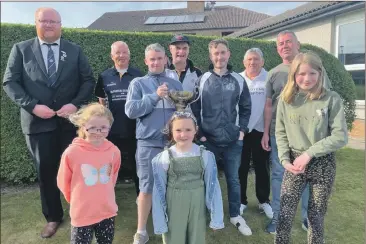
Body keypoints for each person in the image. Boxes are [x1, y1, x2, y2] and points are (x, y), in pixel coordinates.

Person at [2, 7, 95, 238]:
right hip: (37, 124)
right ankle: (53, 217)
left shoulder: (74, 50)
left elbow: (88, 80)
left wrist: (75, 105)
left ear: (61, 24)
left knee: (76, 171)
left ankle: (79, 213)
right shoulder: (21, 50)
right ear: (36, 23)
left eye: (54, 21)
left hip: (70, 122)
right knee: (45, 172)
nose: (49, 25)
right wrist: (32, 106)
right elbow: (10, 83)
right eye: (44, 21)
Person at [262, 30, 332, 234]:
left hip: (308, 137)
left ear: (297, 45)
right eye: (280, 43)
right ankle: (277, 218)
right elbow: (268, 106)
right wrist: (266, 132)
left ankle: (306, 219)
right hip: (280, 135)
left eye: (288, 42)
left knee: (309, 176)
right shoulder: (274, 73)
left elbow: (325, 101)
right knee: (278, 175)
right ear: (277, 48)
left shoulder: (314, 70)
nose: (284, 46)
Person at [274, 52, 348, 243]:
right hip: (293, 163)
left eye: (312, 73)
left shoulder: (331, 99)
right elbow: (280, 132)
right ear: (293, 75)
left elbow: (340, 136)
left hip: (322, 163)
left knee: (315, 217)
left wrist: (309, 154)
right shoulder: (285, 99)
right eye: (301, 74)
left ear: (320, 73)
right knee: (284, 215)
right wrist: (284, 159)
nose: (306, 79)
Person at [191, 39, 252, 236]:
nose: (219, 57)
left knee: (234, 179)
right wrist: (200, 135)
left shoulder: (238, 79)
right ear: (211, 56)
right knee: (208, 179)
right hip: (208, 140)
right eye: (216, 53)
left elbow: (245, 107)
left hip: (233, 140)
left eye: (223, 52)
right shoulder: (202, 79)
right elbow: (194, 107)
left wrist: (242, 131)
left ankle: (235, 215)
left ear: (229, 54)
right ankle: (209, 213)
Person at [125, 43, 183, 244]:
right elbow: (130, 111)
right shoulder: (138, 83)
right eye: (152, 59)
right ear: (146, 61)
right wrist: (154, 96)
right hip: (148, 144)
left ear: (166, 59)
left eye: (159, 58)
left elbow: (182, 111)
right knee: (147, 187)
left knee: (173, 186)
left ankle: (172, 225)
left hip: (173, 144)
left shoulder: (175, 83)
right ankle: (141, 231)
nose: (156, 62)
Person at [151, 111, 224, 244]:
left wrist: (216, 217)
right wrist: (160, 221)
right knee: (174, 237)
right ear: (171, 131)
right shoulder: (164, 158)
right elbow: (158, 191)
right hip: (174, 202)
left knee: (196, 237)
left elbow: (213, 187)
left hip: (198, 201)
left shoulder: (205, 155)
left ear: (195, 130)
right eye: (178, 130)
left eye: (188, 129)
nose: (183, 134)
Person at [57, 103, 121, 244]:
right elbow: (63, 181)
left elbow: (113, 177)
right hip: (82, 213)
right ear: (83, 127)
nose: (98, 132)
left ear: (110, 126)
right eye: (92, 128)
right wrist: (75, 200)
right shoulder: (72, 153)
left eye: (103, 128)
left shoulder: (114, 151)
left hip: (107, 211)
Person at [95, 41, 143, 195]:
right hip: (112, 131)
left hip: (135, 129)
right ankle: (107, 197)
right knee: (109, 166)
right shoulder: (104, 76)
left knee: (138, 166)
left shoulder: (139, 75)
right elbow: (101, 102)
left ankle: (141, 197)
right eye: (118, 53)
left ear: (129, 55)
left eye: (124, 52)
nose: (121, 56)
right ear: (112, 56)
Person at [238, 48, 273, 219]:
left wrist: (267, 132)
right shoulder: (238, 78)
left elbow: (269, 107)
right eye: (249, 59)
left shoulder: (269, 78)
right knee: (241, 167)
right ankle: (241, 201)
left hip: (261, 131)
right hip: (242, 131)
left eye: (256, 59)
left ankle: (264, 201)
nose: (253, 62)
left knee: (262, 167)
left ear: (262, 61)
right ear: (244, 62)